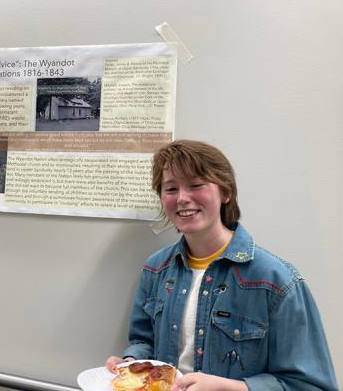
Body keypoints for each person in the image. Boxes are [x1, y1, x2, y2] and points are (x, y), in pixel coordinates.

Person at [105, 140, 337, 390]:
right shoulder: (156, 268)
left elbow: (311, 385)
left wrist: (230, 388)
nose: (182, 198)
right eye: (170, 188)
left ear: (225, 192)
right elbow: (144, 340)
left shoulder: (276, 280)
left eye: (195, 185)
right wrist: (131, 365)